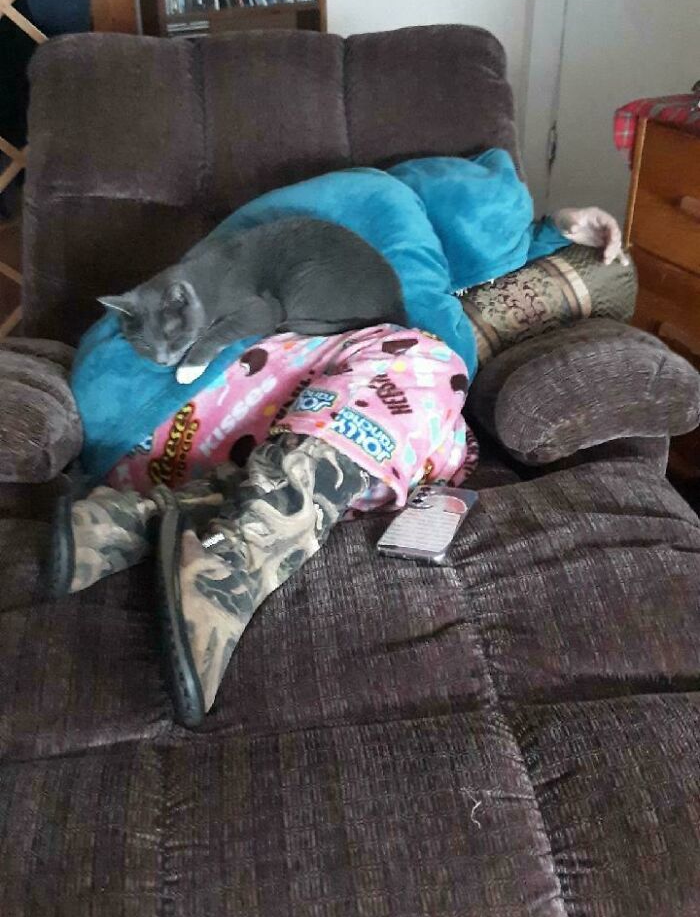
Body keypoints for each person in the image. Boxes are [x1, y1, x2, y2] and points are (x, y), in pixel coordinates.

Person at [47, 204, 624, 728]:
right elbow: (473, 220)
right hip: (239, 382)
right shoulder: (366, 216)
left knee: (435, 456)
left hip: (203, 438)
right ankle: (235, 564)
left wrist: (555, 229)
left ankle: (134, 521)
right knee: (427, 369)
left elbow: (493, 233)